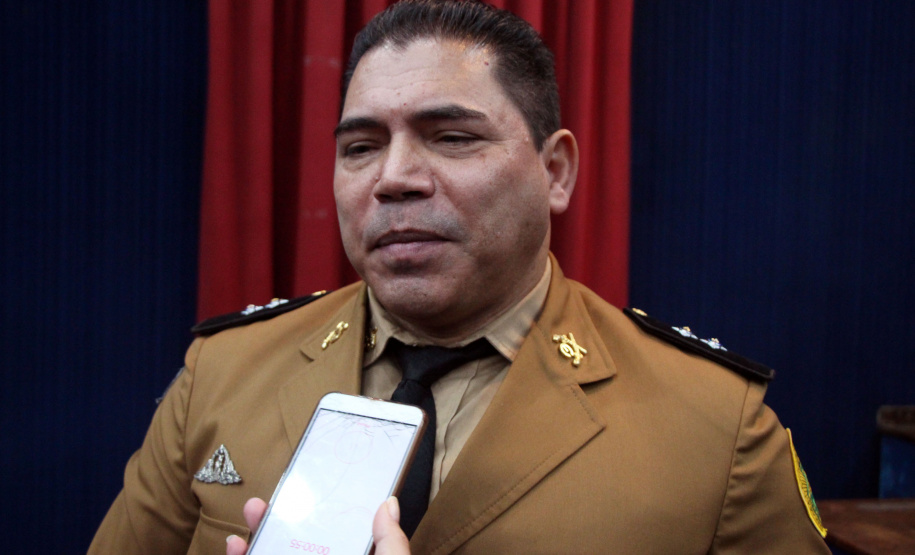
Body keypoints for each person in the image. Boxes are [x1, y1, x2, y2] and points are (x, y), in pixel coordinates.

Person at [90, 1, 831, 553]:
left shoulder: (712, 425)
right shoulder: (222, 374)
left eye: (450, 137)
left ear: (555, 171)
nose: (393, 178)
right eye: (360, 146)